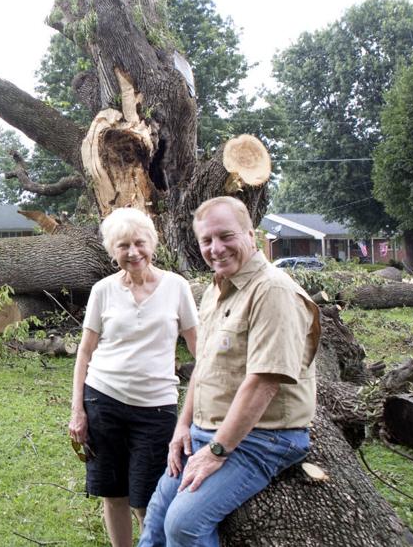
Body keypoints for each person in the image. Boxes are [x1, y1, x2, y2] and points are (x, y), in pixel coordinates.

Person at [137, 196, 322, 547]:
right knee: (157, 518)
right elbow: (204, 365)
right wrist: (182, 426)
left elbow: (264, 383)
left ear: (251, 235)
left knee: (183, 525)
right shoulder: (214, 290)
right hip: (207, 429)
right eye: (206, 241)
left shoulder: (272, 290)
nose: (216, 248)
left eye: (226, 236)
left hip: (263, 438)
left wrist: (217, 451)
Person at [69, 207, 198, 547]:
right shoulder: (103, 291)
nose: (133, 252)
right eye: (123, 246)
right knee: (112, 494)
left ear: (152, 243)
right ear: (113, 251)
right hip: (103, 400)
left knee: (149, 496)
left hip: (157, 408)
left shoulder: (177, 287)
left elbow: (201, 350)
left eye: (139, 243)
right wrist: (77, 412)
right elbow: (85, 351)